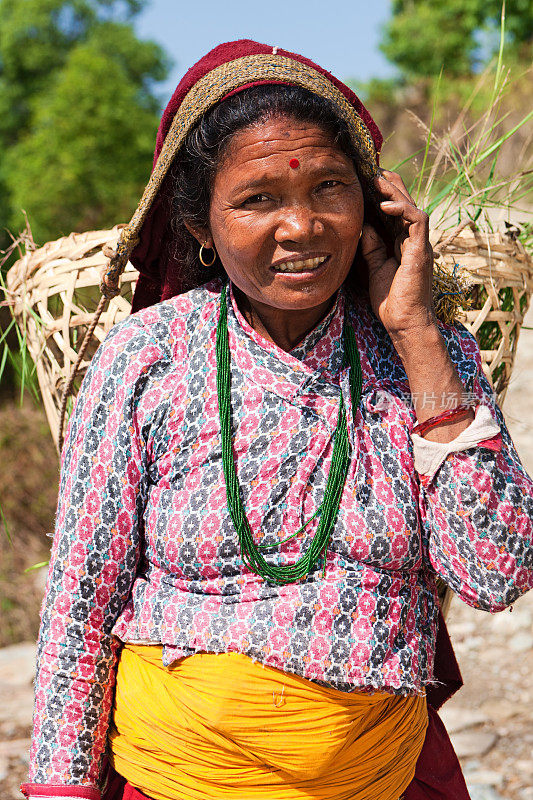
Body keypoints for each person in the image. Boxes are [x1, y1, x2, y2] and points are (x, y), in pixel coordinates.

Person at [21, 40, 533, 800]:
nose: (301, 226)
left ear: (373, 205)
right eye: (257, 199)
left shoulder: (424, 354)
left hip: (378, 775)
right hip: (177, 777)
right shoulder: (149, 356)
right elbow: (80, 601)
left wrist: (419, 337)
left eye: (330, 187)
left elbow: (496, 574)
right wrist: (60, 790)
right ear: (199, 225)